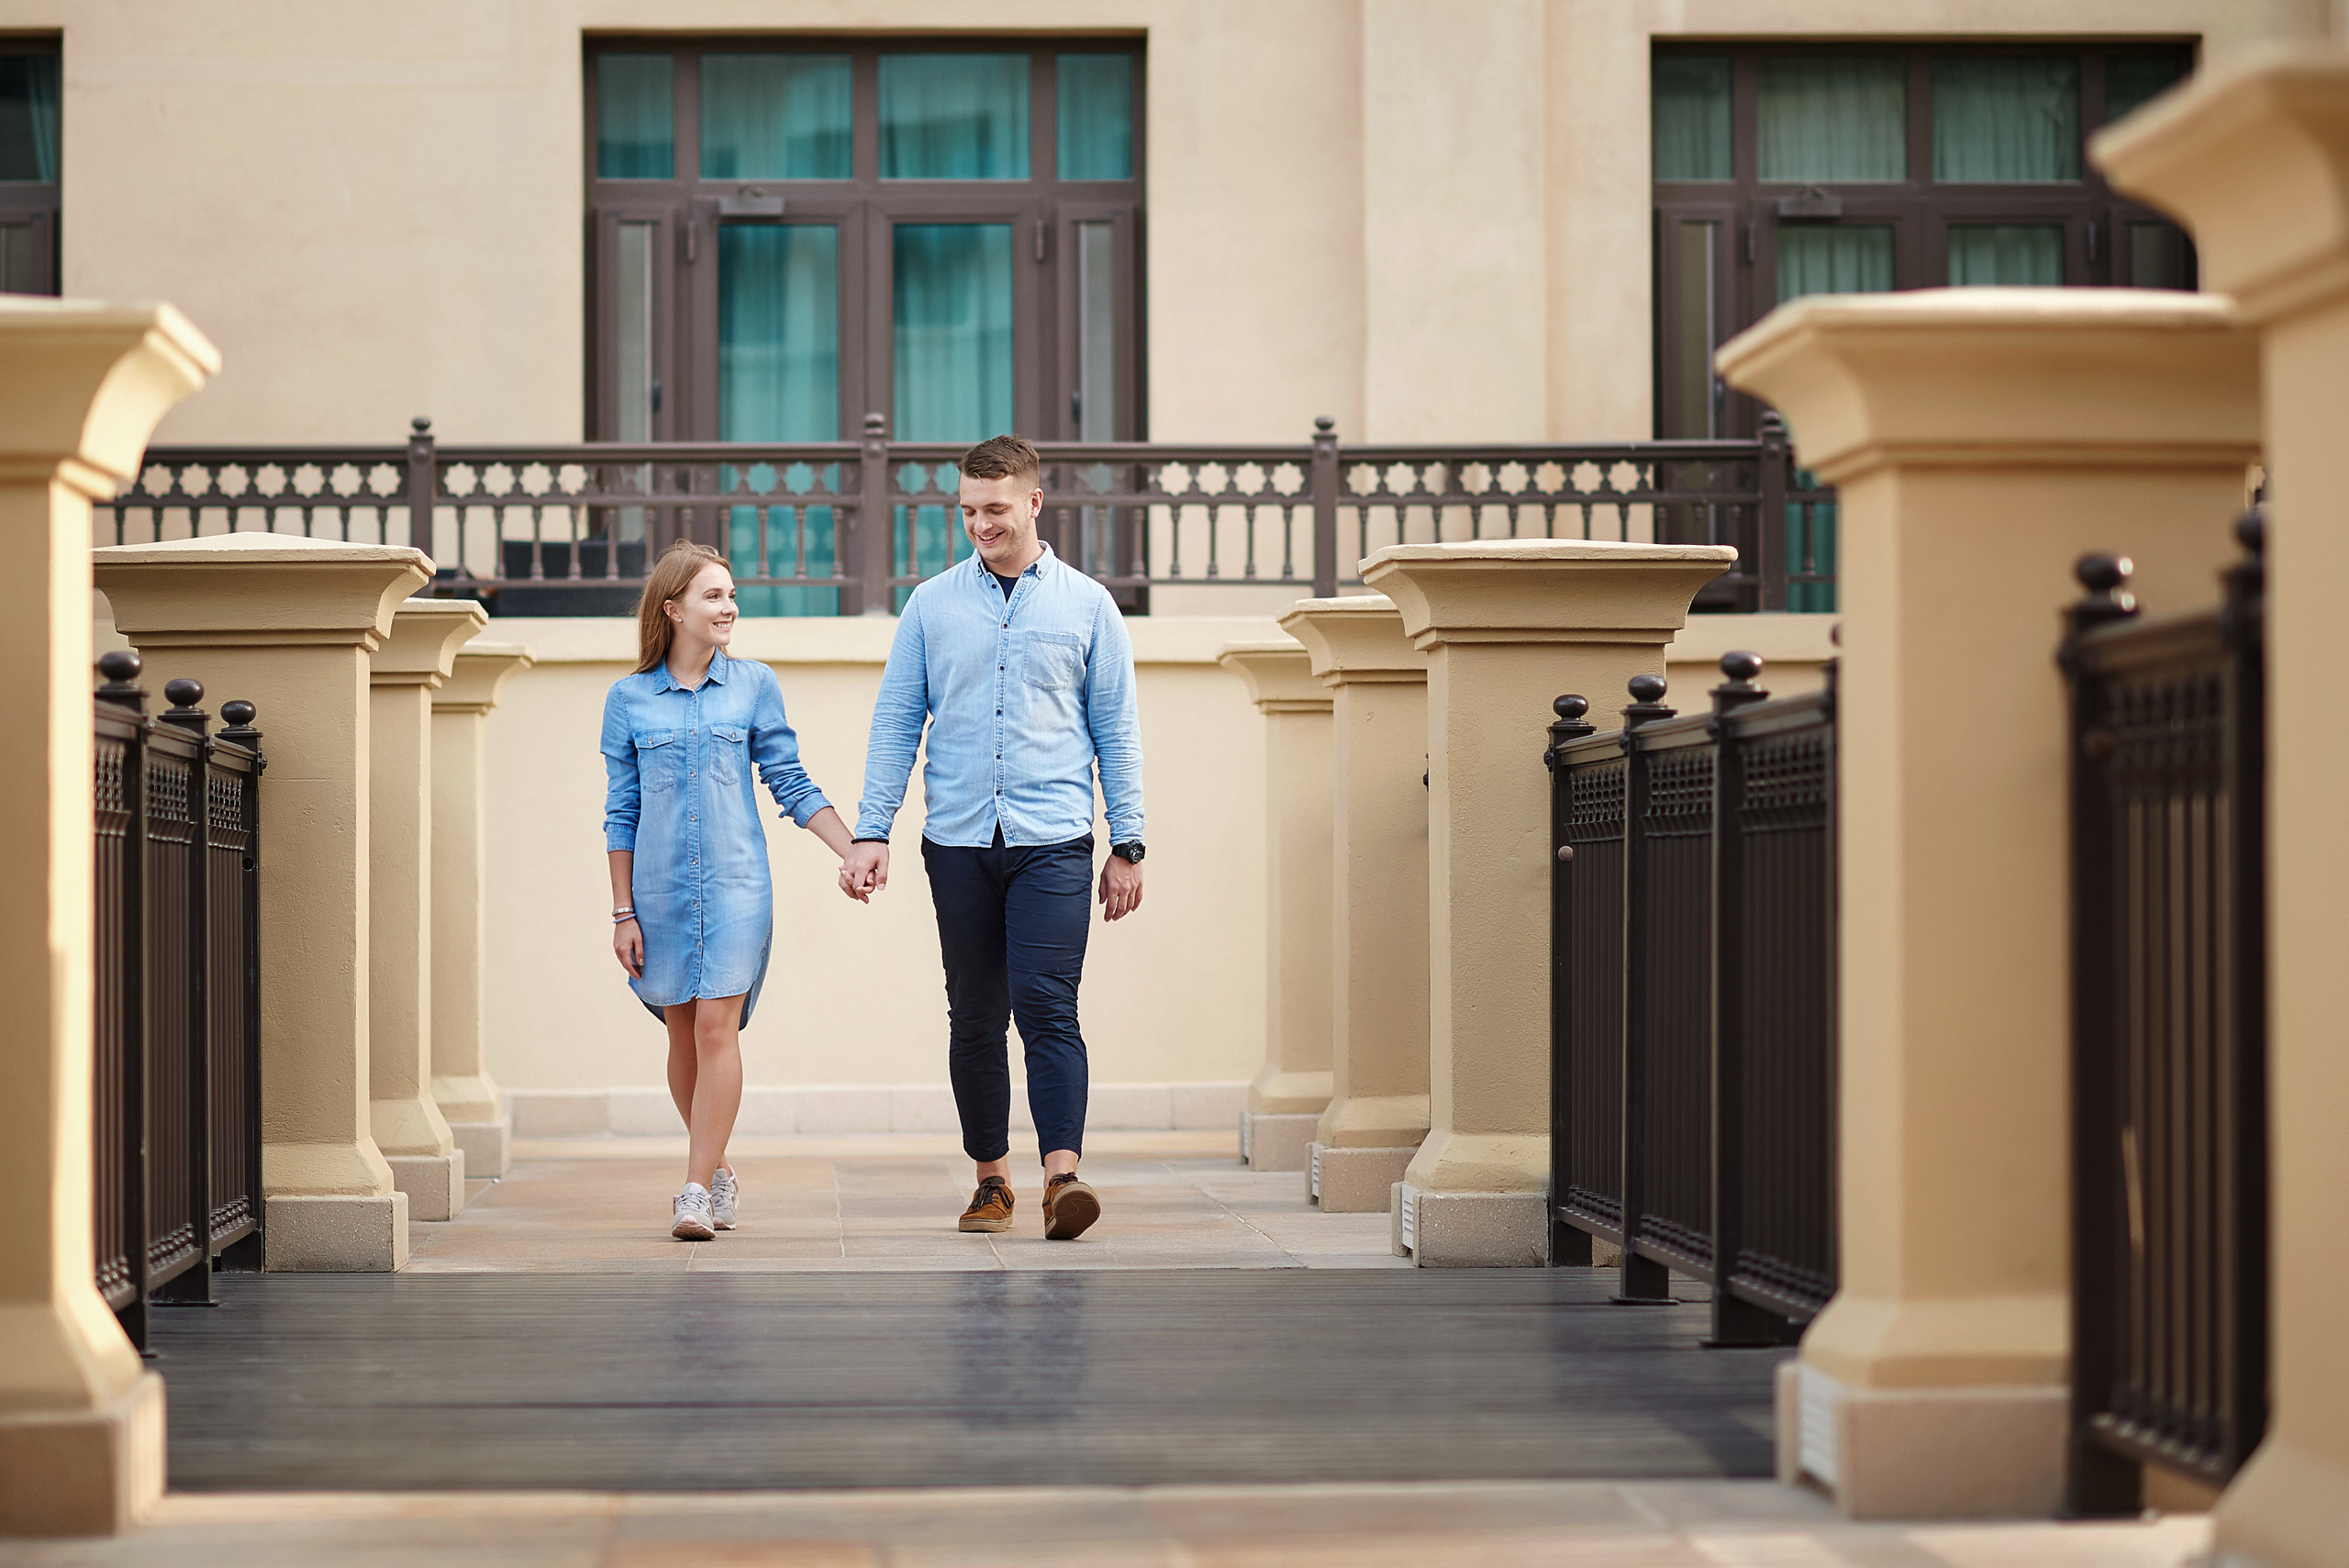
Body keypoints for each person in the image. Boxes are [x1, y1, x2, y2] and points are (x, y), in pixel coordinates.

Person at [840, 434, 1146, 1242]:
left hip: (1054, 840)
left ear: (1035, 503)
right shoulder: (931, 605)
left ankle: (1062, 1178)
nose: (981, 524)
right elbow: (897, 722)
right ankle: (991, 1182)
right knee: (974, 1014)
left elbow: (1116, 729)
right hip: (960, 841)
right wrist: (872, 831)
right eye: (970, 511)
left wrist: (1130, 841)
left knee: (1048, 1006)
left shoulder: (1087, 605)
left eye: (997, 509)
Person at [602, 540, 863, 1240]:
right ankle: (715, 1165)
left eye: (731, 594)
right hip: (656, 890)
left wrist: (854, 848)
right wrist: (622, 909)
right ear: (674, 608)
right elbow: (620, 811)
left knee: (717, 1024)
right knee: (681, 1029)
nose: (729, 607)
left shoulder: (754, 684)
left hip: (737, 884)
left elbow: (790, 781)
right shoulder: (627, 700)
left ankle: (692, 1187)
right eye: (714, 595)